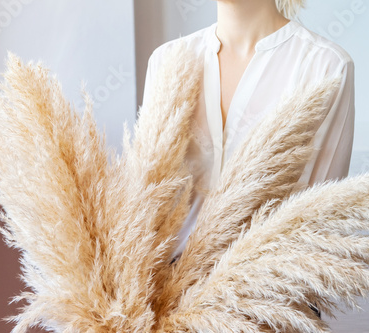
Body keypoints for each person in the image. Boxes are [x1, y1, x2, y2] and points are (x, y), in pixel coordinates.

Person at [142, 0, 355, 319]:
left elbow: (317, 214)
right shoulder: (167, 61)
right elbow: (148, 199)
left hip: (271, 302)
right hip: (167, 302)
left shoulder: (323, 65)